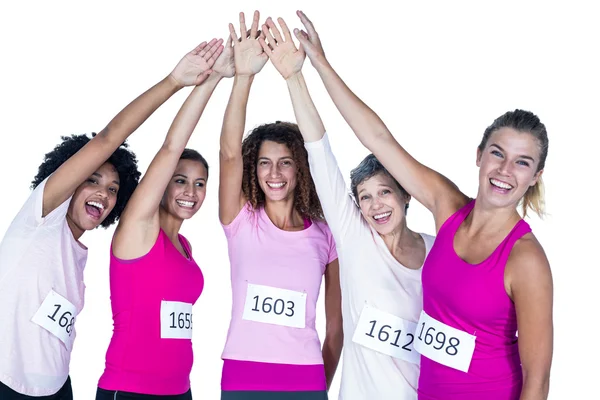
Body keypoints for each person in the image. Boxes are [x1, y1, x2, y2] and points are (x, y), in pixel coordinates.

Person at [290, 10, 553, 400]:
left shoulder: (525, 259)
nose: (505, 170)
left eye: (522, 162)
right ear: (479, 156)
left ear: (535, 176)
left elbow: (538, 379)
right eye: (498, 154)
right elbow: (379, 140)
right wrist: (321, 65)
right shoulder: (447, 207)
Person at [0, 38, 222, 400]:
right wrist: (174, 82)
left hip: (57, 389)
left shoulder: (79, 258)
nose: (104, 194)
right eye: (92, 180)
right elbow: (108, 139)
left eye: (114, 189)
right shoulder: (38, 218)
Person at [260, 14, 435, 400]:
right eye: (365, 197)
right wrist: (295, 78)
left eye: (385, 192)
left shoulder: (438, 249)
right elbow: (319, 151)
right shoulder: (356, 239)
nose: (375, 205)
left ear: (406, 195)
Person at [218, 11, 343, 400]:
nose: (274, 173)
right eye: (264, 162)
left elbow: (336, 327)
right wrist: (244, 77)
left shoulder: (326, 235)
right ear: (253, 169)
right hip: (243, 377)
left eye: (285, 162)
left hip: (305, 379)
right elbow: (227, 153)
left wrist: (316, 385)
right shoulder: (239, 220)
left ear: (299, 168)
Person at [95, 38, 228, 399]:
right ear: (161, 184)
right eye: (180, 180)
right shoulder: (138, 229)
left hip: (179, 391)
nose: (191, 191)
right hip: (130, 390)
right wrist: (212, 79)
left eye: (200, 184)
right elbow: (172, 147)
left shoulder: (185, 246)